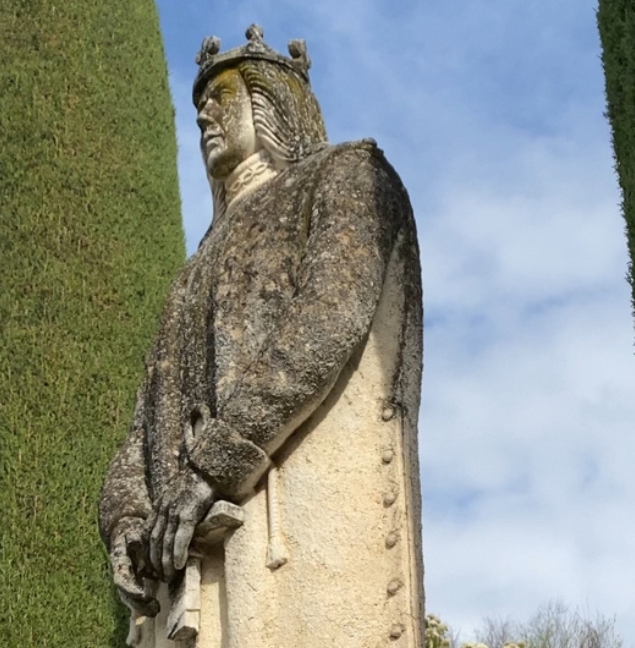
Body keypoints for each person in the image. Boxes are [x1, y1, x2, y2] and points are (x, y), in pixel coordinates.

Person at [99, 25, 424, 647]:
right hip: (187, 565)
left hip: (295, 519)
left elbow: (327, 319)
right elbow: (146, 425)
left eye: (222, 95)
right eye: (200, 103)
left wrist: (215, 464)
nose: (206, 112)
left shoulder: (345, 174)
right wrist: (128, 521)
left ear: (271, 102)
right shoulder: (189, 275)